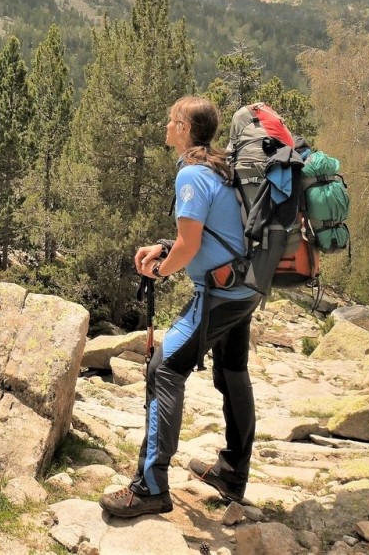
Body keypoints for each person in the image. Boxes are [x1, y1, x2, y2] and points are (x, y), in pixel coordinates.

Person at [99, 95, 264, 518]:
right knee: (232, 373)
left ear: (185, 129)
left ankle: (150, 487)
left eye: (172, 121)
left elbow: (192, 247)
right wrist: (166, 247)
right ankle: (233, 472)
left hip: (219, 294)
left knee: (164, 367)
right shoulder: (220, 168)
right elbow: (215, 233)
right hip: (246, 287)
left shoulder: (191, 174)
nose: (166, 126)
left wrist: (160, 268)